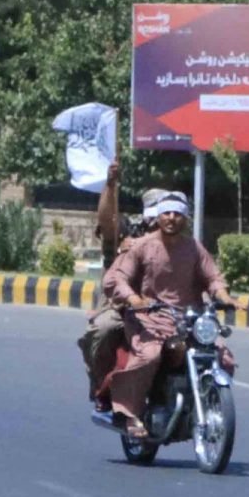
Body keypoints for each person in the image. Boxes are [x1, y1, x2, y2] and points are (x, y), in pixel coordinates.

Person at [99, 192, 234, 436]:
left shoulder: (194, 247)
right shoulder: (142, 245)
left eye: (178, 214)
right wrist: (133, 299)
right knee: (149, 356)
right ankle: (129, 414)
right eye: (167, 213)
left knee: (223, 359)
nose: (172, 218)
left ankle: (206, 404)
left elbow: (212, 276)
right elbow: (118, 278)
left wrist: (224, 296)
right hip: (150, 318)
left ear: (185, 218)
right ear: (159, 216)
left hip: (189, 320)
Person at [76, 168, 166, 405]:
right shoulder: (128, 232)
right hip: (123, 306)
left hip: (165, 308)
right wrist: (110, 185)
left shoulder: (179, 239)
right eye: (157, 214)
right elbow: (107, 222)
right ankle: (101, 386)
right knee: (103, 330)